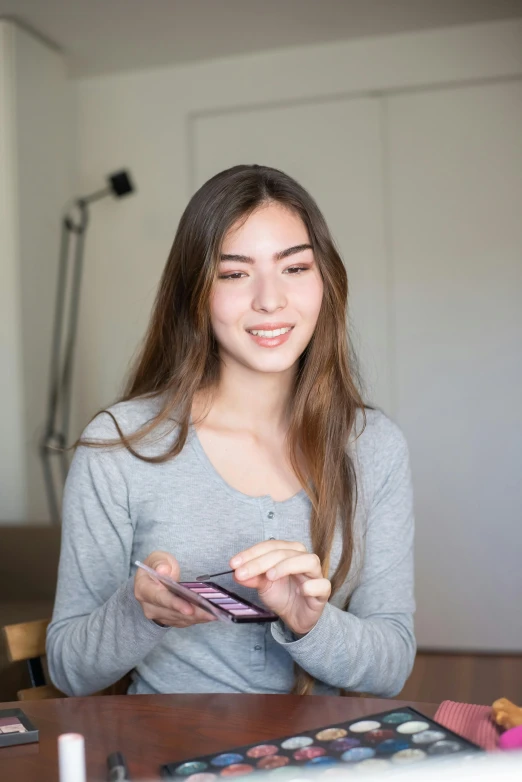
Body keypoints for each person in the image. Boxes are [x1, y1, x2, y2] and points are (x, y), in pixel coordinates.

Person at [46, 164, 415, 698]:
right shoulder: (120, 446)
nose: (270, 299)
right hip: (169, 756)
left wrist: (309, 622)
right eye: (234, 273)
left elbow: (392, 665)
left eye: (295, 267)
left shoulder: (373, 446)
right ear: (195, 292)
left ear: (326, 280)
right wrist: (139, 610)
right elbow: (68, 669)